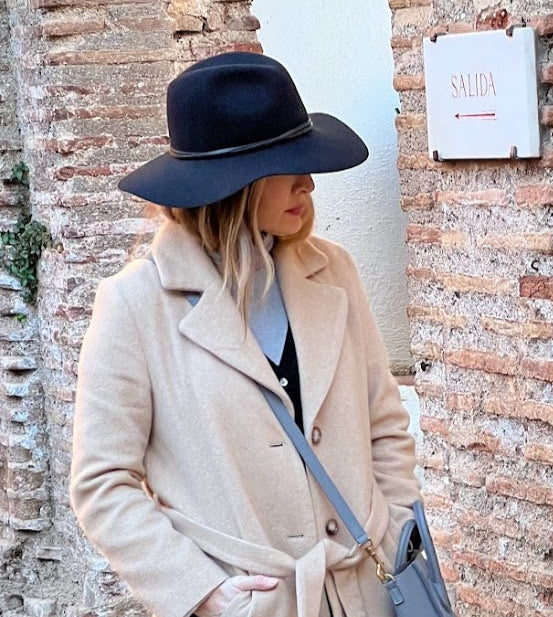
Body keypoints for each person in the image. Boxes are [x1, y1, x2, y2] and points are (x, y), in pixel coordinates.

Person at [68, 52, 421, 617]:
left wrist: (395, 530)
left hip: (367, 592)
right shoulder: (135, 305)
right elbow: (102, 484)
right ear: (234, 184)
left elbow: (384, 422)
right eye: (287, 165)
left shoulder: (334, 270)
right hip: (254, 603)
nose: (308, 181)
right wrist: (205, 592)